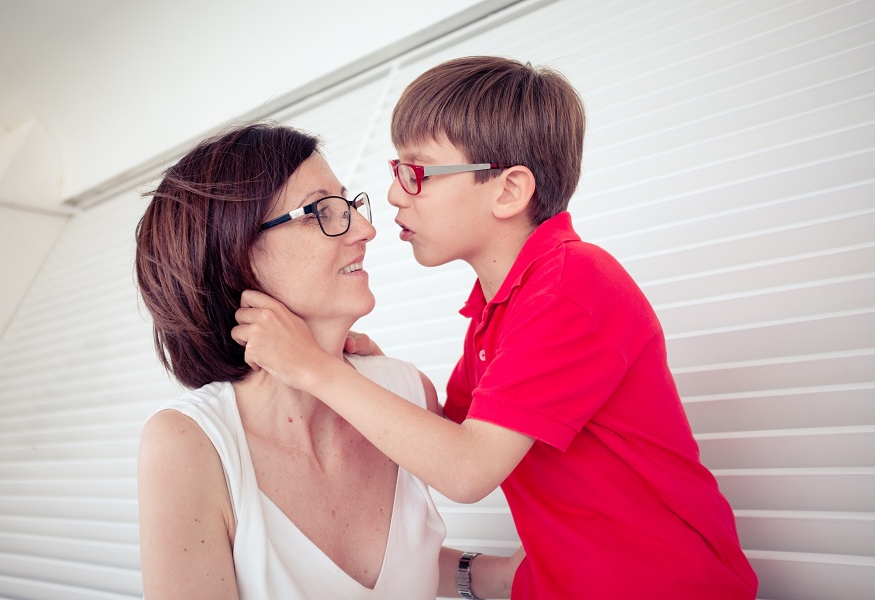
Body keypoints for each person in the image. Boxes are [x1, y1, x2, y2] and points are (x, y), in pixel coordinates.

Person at [231, 57, 759, 599]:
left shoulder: (570, 286)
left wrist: (316, 370)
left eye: (416, 173)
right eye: (396, 171)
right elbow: (450, 432)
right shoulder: (499, 309)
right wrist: (370, 372)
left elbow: (465, 469)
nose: (392, 195)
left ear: (508, 191)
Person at [134, 122, 521, 599]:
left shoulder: (408, 392)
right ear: (234, 252)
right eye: (323, 211)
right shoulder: (189, 445)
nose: (366, 229)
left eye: (349, 205)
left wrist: (494, 576)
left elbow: (400, 558)